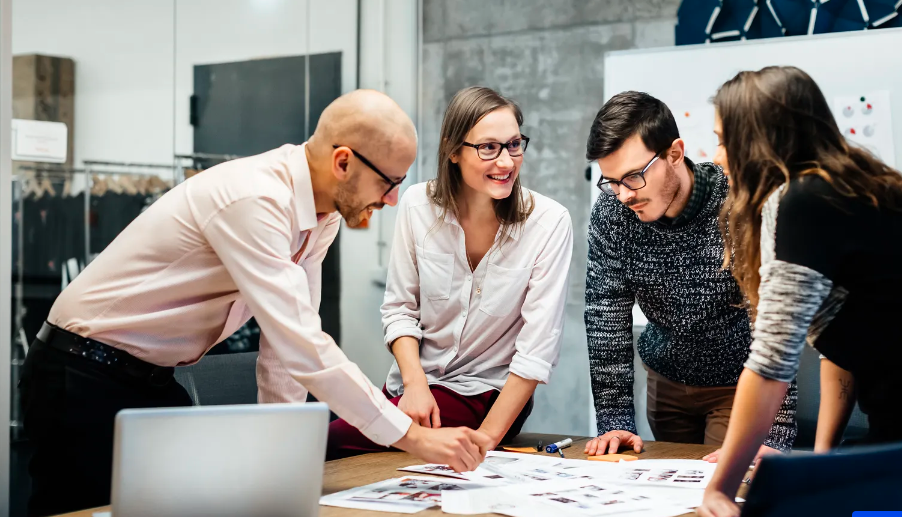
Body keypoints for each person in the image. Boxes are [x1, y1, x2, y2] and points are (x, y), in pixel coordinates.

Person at [19, 90, 492, 517]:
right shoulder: (256, 199)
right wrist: (412, 437)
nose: (391, 200)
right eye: (388, 182)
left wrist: (278, 455)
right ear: (343, 162)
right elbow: (303, 343)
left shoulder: (320, 217)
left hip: (150, 379)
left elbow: (285, 350)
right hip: (80, 372)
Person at [699, 66, 902, 517]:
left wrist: (720, 488)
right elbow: (855, 336)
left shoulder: (800, 201)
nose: (716, 157)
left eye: (723, 140)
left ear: (758, 141)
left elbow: (770, 364)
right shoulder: (860, 185)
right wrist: (817, 460)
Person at [327, 87, 573, 458]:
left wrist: (488, 439)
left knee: (324, 441)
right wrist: (415, 386)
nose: (506, 162)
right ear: (453, 151)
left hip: (487, 396)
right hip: (412, 388)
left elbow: (536, 350)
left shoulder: (549, 222)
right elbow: (399, 310)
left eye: (514, 144)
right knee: (326, 432)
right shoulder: (416, 206)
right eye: (488, 147)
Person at [581, 91, 797, 459]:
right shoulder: (613, 214)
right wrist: (615, 418)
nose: (623, 195)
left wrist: (775, 434)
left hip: (739, 384)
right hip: (665, 381)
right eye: (611, 181)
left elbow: (774, 318)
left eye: (633, 177)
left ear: (674, 154)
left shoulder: (738, 203)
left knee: (726, 492)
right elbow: (606, 313)